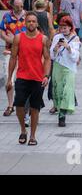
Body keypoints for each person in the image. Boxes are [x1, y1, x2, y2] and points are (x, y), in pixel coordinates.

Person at [6, 12, 51, 146]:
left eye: (33, 21)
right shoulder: (18, 38)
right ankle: (23, 130)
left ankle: (32, 136)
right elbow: (13, 58)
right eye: (29, 21)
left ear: (37, 23)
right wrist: (9, 78)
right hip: (22, 77)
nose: (31, 23)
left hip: (37, 78)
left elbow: (48, 59)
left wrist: (46, 76)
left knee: (34, 108)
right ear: (25, 23)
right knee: (19, 105)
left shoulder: (43, 39)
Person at [50, 16, 81, 127]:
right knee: (57, 91)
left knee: (67, 90)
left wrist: (68, 47)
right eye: (61, 28)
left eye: (65, 28)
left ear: (70, 27)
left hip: (69, 68)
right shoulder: (57, 37)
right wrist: (56, 47)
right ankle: (59, 110)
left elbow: (75, 57)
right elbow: (52, 55)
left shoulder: (75, 39)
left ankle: (62, 115)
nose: (63, 30)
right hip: (58, 66)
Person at [1, 0, 27, 116]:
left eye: (21, 5)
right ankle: (10, 105)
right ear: (12, 5)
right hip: (9, 51)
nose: (19, 8)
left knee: (22, 79)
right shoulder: (6, 17)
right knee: (8, 78)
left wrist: (16, 40)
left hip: (25, 52)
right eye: (17, 6)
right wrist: (13, 41)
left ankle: (20, 104)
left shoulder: (28, 17)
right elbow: (1, 32)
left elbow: (33, 34)